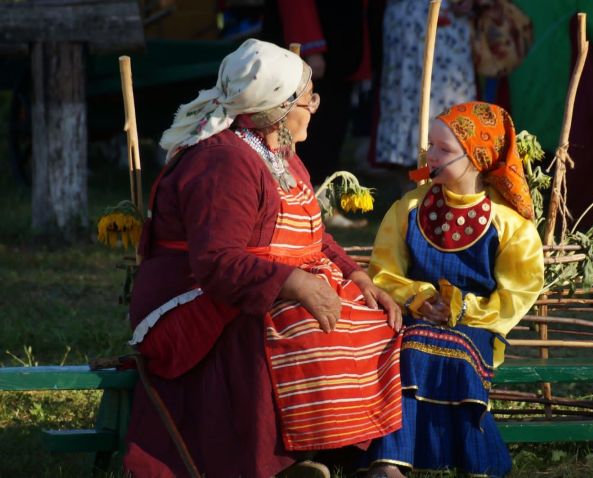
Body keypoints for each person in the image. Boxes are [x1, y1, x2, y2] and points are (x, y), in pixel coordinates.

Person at [122, 38, 403, 478]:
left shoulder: (276, 152)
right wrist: (295, 283)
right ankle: (279, 460)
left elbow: (311, 229)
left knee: (368, 318)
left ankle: (349, 452)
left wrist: (355, 274)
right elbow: (216, 262)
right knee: (300, 323)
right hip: (190, 299)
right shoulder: (223, 163)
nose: (315, 105)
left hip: (249, 281)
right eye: (307, 97)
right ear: (279, 107)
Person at [363, 101, 544, 477]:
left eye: (443, 149)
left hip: (477, 328)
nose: (430, 154)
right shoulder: (409, 207)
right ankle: (388, 463)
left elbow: (516, 296)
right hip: (413, 318)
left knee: (451, 349)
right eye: (430, 145)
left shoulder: (509, 226)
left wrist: (462, 310)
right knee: (406, 346)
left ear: (476, 157)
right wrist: (418, 298)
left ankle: (472, 459)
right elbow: (382, 271)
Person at [262, 0, 371, 228]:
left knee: (329, 131)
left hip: (338, 55)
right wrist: (312, 48)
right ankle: (301, 204)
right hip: (316, 58)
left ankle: (319, 205)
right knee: (307, 132)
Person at [371, 0, 478, 171]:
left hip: (449, 20)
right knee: (408, 98)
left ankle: (452, 175)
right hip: (409, 19)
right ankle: (413, 186)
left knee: (450, 100)